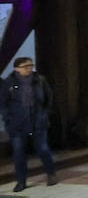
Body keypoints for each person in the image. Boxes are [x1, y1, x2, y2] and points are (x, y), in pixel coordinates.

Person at [0, 56, 57, 190]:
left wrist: (45, 114)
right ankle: (21, 181)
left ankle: (51, 173)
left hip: (37, 121)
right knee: (19, 152)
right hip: (17, 124)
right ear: (17, 68)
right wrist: (8, 117)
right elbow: (3, 103)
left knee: (43, 149)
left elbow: (48, 98)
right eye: (25, 66)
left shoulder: (39, 80)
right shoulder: (9, 82)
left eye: (31, 66)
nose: (29, 69)